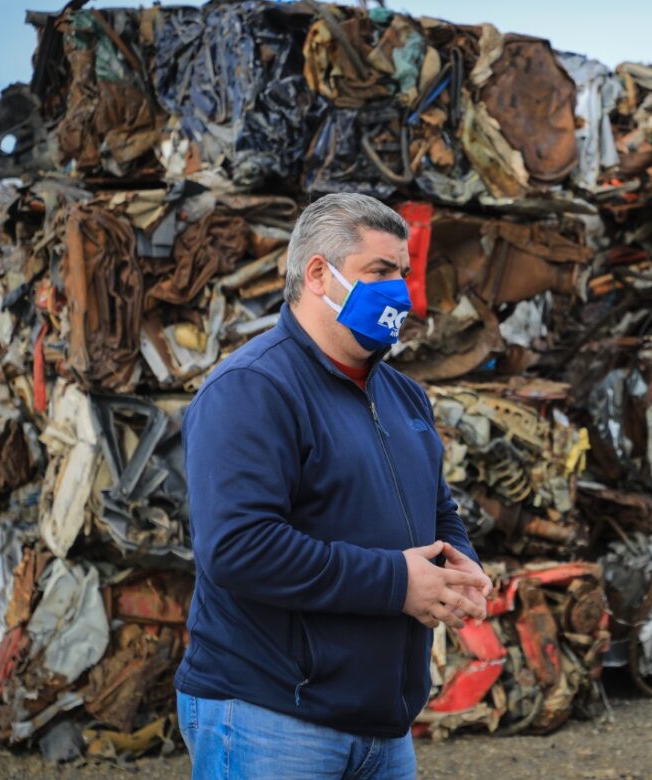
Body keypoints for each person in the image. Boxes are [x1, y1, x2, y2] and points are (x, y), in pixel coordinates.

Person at [175, 193, 491, 779]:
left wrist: (458, 562)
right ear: (319, 274)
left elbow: (436, 506)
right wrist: (397, 583)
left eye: (402, 272)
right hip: (269, 718)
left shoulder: (402, 394)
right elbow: (238, 548)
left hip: (383, 729)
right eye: (379, 272)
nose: (399, 290)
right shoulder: (252, 389)